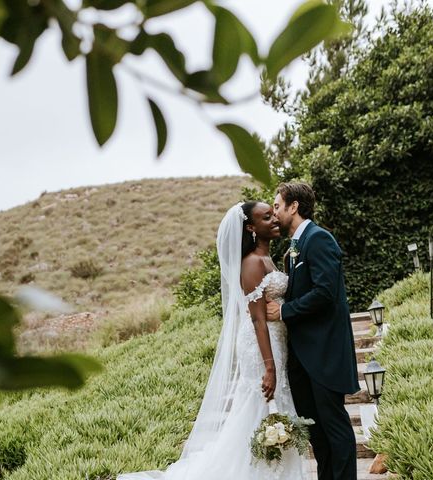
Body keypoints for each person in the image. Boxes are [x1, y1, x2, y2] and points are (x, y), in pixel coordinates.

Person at [117, 201, 308, 479]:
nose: (274, 220)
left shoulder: (267, 258)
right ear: (251, 228)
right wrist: (268, 366)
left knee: (274, 407)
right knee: (262, 407)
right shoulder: (252, 263)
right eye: (266, 217)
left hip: (275, 341)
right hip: (259, 347)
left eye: (273, 214)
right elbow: (257, 319)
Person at [267, 182, 360, 480]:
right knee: (316, 431)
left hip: (325, 354)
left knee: (335, 427)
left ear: (294, 207)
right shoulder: (296, 245)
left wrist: (283, 311)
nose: (274, 212)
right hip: (304, 357)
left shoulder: (319, 239)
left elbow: (324, 293)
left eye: (278, 206)